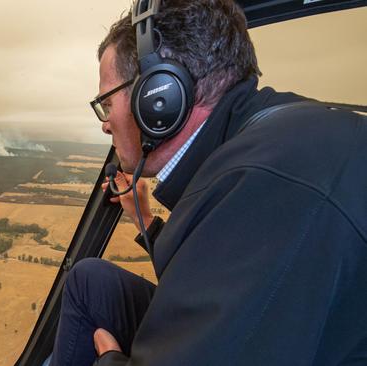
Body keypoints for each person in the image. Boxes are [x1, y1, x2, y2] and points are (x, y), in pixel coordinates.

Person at [49, 1, 367, 365]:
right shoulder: (278, 133)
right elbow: (219, 284)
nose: (105, 123)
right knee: (90, 280)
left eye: (107, 103)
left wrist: (111, 361)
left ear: (159, 98)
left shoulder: (262, 185)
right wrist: (145, 222)